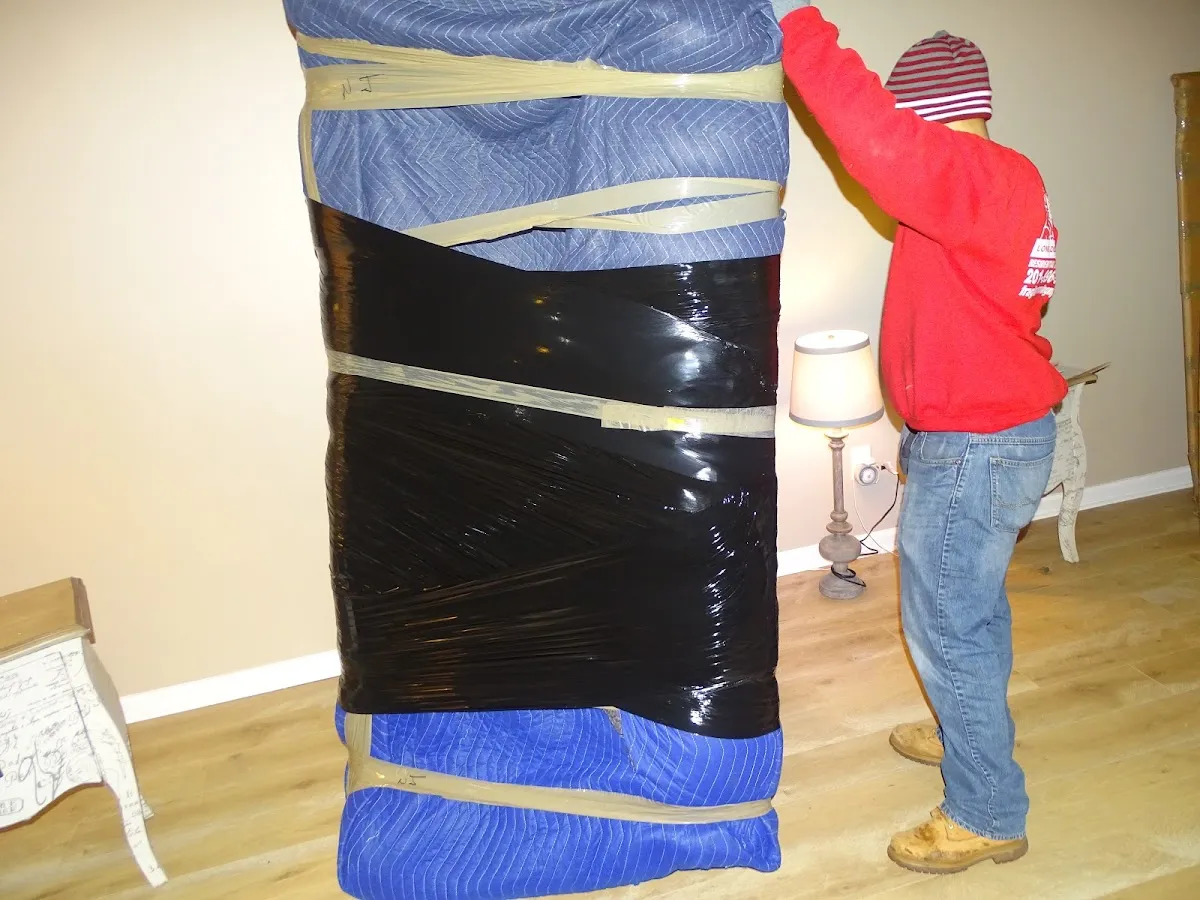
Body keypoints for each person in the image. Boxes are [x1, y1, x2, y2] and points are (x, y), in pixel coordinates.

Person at [778, 5, 1069, 874]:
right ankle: (964, 731)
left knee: (949, 628)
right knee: (970, 612)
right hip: (995, 437)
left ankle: (984, 810)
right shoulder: (1001, 181)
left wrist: (796, 25)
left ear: (928, 120)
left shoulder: (968, 176)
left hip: (978, 447)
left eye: (910, 123)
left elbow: (870, 134)